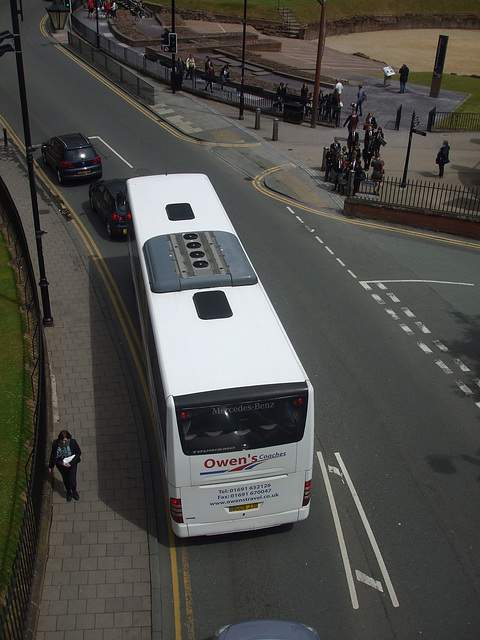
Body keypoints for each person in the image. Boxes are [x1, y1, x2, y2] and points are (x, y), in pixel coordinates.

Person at [48, 429, 82, 502]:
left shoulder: (73, 442)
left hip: (71, 465)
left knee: (72, 480)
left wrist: (71, 463)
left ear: (68, 439)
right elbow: (53, 455)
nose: (63, 442)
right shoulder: (55, 443)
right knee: (66, 479)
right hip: (61, 465)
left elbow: (78, 453)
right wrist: (51, 466)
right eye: (62, 440)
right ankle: (68, 492)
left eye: (65, 440)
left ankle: (74, 491)